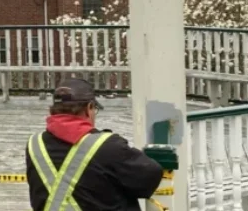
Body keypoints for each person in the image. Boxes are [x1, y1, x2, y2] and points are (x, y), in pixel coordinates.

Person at [26, 78, 164, 210]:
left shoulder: (34, 145)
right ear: (89, 107)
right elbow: (150, 177)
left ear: (52, 110)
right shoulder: (109, 147)